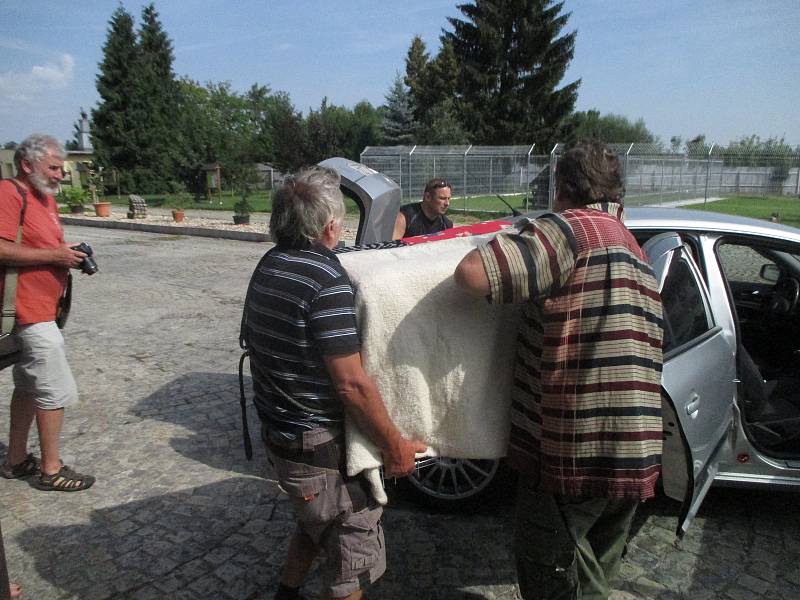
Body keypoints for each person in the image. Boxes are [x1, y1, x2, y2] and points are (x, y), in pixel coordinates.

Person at [454, 141, 664, 600]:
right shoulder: (632, 245)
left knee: (552, 574)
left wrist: (513, 236)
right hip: (634, 452)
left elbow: (471, 274)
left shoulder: (570, 230)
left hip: (574, 453)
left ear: (562, 188)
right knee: (593, 580)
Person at [242, 166, 425, 600]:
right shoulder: (324, 280)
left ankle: (286, 593)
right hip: (316, 446)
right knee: (351, 555)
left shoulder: (271, 263)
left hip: (282, 436)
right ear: (330, 226)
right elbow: (352, 386)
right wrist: (395, 445)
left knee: (314, 522)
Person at [0, 134, 95, 492]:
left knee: (27, 386)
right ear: (27, 164)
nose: (59, 175)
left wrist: (65, 251)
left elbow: (41, 243)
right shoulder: (9, 193)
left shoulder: (44, 198)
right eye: (53, 167)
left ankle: (16, 458)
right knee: (54, 390)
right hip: (27, 313)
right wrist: (54, 256)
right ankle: (51, 469)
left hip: (43, 309)